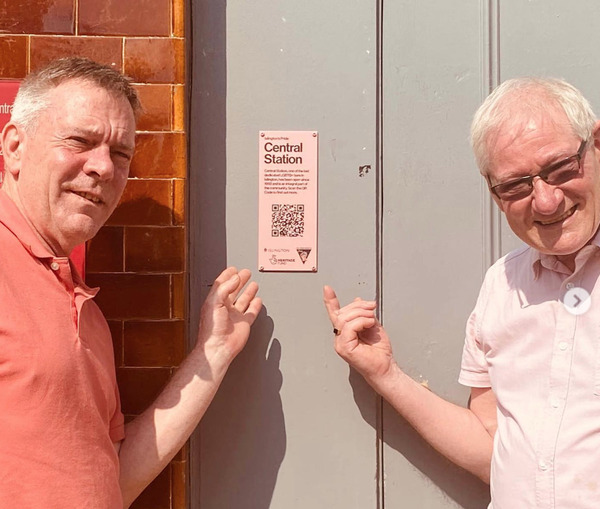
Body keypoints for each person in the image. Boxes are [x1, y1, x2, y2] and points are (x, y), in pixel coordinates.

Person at [324, 77, 600, 508]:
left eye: (561, 169)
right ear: (494, 193)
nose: (545, 201)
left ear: (596, 144)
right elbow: (492, 448)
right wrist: (385, 375)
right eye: (516, 186)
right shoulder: (503, 285)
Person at [0, 57, 262, 508]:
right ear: (15, 145)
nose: (103, 167)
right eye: (80, 141)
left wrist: (212, 355)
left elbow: (111, 482)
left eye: (121, 154)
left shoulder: (83, 307)